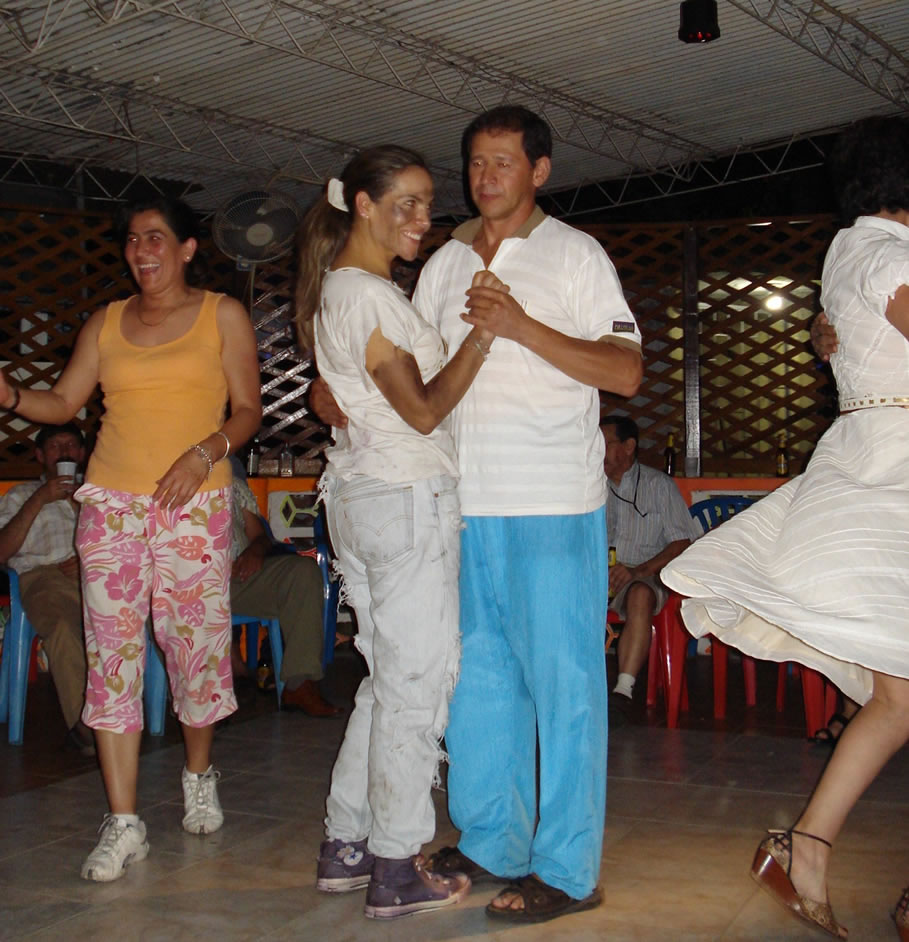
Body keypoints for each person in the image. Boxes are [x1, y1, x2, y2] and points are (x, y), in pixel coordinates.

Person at [312, 106, 642, 922]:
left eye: (503, 162)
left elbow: (625, 372)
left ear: (540, 171)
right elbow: (407, 373)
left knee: (564, 691)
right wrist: (334, 391)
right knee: (477, 689)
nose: (485, 176)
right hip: (459, 504)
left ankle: (566, 868)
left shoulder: (575, 253)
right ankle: (494, 839)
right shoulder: (444, 264)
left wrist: (519, 325)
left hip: (551, 502)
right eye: (475, 163)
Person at [662, 115, 909, 941]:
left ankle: (806, 847)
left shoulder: (847, 251)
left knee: (899, 699)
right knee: (900, 696)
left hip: (873, 457)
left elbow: (848, 331)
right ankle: (811, 850)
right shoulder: (889, 256)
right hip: (893, 471)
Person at [0, 195, 262, 883]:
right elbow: (63, 402)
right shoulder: (106, 321)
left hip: (194, 502)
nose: (141, 251)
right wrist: (10, 396)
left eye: (156, 238)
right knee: (111, 658)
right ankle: (124, 822)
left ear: (186, 249)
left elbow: (247, 410)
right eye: (133, 240)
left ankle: (198, 774)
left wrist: (202, 454)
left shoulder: (221, 315)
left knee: (194, 649)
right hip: (111, 505)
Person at [296, 145, 504, 920]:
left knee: (388, 683)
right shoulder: (366, 295)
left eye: (426, 202)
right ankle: (395, 863)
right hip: (404, 496)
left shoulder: (344, 291)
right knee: (417, 686)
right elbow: (421, 411)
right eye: (405, 203)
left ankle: (347, 843)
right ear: (362, 204)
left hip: (363, 496)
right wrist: (483, 336)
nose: (422, 218)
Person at [0, 423, 93, 755]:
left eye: (71, 445)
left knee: (149, 615)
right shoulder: (21, 495)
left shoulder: (98, 493)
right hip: (44, 577)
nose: (65, 452)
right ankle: (86, 726)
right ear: (40, 455)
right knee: (63, 627)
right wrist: (40, 498)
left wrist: (89, 560)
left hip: (98, 575)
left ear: (82, 453)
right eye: (55, 446)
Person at [600, 416, 699, 714]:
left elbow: (682, 542)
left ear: (629, 446)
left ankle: (623, 691)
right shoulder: (590, 487)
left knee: (640, 594)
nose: (598, 451)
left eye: (605, 443)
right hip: (599, 573)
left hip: (644, 573)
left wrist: (637, 571)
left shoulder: (658, 485)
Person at [228, 470, 341, 717]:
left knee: (302, 572)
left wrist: (255, 551)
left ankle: (300, 684)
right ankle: (200, 693)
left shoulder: (231, 482)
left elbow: (259, 536)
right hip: (189, 580)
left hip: (237, 579)